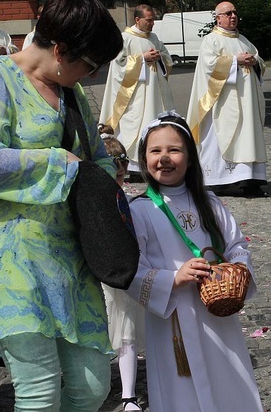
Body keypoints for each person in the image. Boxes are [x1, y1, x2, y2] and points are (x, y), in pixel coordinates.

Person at [0, 0, 123, 410]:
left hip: (70, 256)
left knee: (91, 386)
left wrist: (104, 179)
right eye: (89, 64)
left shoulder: (71, 93)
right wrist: (58, 163)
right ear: (61, 50)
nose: (91, 74)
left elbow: (96, 160)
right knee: (40, 392)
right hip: (11, 260)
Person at [125, 112, 263, 411]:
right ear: (144, 159)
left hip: (217, 311)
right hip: (173, 315)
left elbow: (236, 244)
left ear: (189, 158)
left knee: (229, 377)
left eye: (174, 150)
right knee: (184, 391)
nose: (164, 158)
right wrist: (173, 277)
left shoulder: (209, 202)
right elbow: (132, 268)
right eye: (155, 151)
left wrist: (235, 268)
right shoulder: (140, 210)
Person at [186, 1, 268, 197]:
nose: (233, 16)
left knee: (248, 137)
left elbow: (260, 61)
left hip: (247, 102)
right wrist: (234, 61)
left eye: (235, 13)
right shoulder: (211, 40)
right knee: (221, 138)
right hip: (223, 103)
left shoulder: (244, 40)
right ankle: (221, 181)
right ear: (218, 18)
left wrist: (255, 61)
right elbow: (209, 67)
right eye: (228, 13)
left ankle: (249, 179)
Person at [98, 123, 144, 411]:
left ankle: (128, 394)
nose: (120, 178)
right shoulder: (90, 201)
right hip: (97, 276)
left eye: (122, 173)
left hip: (121, 277)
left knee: (125, 331)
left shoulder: (127, 201)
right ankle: (100, 386)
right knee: (101, 332)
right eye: (114, 173)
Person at [99, 4, 174, 180]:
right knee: (134, 127)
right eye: (149, 20)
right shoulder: (125, 38)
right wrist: (141, 59)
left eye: (153, 20)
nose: (152, 23)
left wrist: (160, 57)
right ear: (137, 19)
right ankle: (133, 166)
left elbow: (167, 60)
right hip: (134, 97)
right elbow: (118, 65)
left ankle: (150, 162)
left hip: (155, 93)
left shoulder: (154, 38)